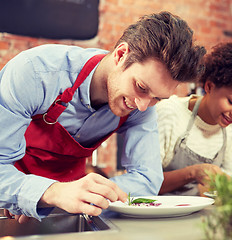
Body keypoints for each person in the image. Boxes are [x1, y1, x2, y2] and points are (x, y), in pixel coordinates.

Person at [0, 11, 206, 222]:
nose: (143, 107)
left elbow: (147, 179)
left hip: (71, 211)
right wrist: (45, 193)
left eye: (157, 98)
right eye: (141, 87)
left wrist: (90, 194)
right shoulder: (35, 73)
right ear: (120, 55)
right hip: (9, 203)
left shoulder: (142, 103)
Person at [156, 36, 232, 195]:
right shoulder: (169, 113)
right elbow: (143, 182)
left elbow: (226, 188)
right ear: (209, 86)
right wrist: (192, 173)